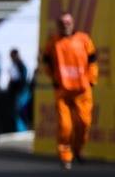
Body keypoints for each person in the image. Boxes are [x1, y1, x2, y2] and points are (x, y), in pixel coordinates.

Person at [42, 12, 98, 169]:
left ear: (73, 23)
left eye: (68, 22)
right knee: (65, 126)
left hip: (82, 90)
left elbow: (93, 60)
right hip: (63, 91)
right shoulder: (53, 41)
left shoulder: (84, 39)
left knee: (84, 124)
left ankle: (78, 148)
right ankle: (65, 156)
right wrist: (54, 78)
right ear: (58, 25)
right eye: (62, 22)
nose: (65, 24)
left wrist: (91, 80)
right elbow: (46, 61)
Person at [8, 48, 29, 132]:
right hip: (16, 91)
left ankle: (22, 128)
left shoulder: (21, 65)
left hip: (21, 91)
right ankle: (19, 128)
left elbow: (23, 78)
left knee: (20, 110)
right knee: (16, 111)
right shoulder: (14, 65)